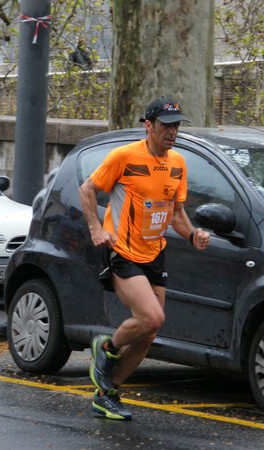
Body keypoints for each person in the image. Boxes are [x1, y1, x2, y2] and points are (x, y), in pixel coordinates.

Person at [78, 96, 211, 420]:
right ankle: (106, 348)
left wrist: (193, 234)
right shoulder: (124, 156)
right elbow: (87, 190)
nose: (172, 132)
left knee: (148, 333)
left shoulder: (178, 163)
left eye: (177, 125)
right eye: (166, 125)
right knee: (153, 319)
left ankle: (106, 394)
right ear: (148, 126)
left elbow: (176, 212)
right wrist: (97, 229)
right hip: (123, 251)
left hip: (155, 254)